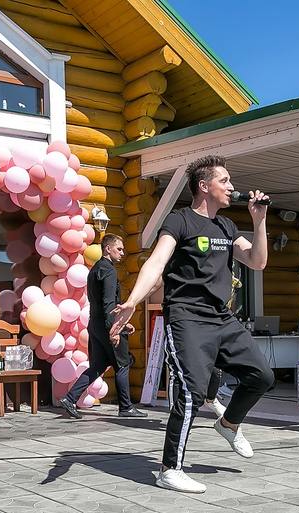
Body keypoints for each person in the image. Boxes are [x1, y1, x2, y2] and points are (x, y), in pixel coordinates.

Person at [111, 155, 274, 494]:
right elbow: (156, 263)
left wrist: (259, 222)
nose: (231, 186)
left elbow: (257, 262)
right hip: (187, 317)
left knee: (262, 376)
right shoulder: (180, 221)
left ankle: (229, 424)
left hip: (221, 317)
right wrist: (132, 302)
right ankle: (170, 469)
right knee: (191, 393)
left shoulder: (227, 227)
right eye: (224, 181)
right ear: (204, 186)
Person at [60, 234, 147, 419]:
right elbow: (109, 304)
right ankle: (126, 407)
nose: (122, 253)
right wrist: (116, 328)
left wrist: (123, 324)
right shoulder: (109, 271)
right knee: (123, 364)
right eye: (119, 249)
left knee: (98, 365)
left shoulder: (94, 270)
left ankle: (70, 398)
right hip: (107, 325)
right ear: (108, 248)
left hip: (94, 324)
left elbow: (100, 303)